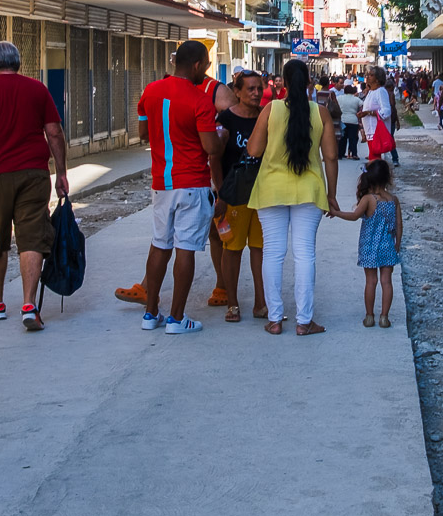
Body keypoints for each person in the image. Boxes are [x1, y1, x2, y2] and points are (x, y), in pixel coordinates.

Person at [0, 41, 69, 332]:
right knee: (32, 236)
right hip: (34, 173)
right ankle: (29, 305)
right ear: (18, 64)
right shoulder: (37, 89)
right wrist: (61, 173)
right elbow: (55, 133)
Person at [134, 41, 224, 335]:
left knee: (160, 244)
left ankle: (151, 314)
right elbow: (211, 147)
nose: (207, 71)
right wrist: (221, 136)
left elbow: (143, 134)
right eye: (207, 65)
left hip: (161, 183)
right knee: (186, 248)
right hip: (192, 184)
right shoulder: (200, 100)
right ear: (197, 64)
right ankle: (176, 318)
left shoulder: (150, 91)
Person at [246, 59, 339, 336]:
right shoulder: (320, 113)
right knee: (304, 255)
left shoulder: (270, 110)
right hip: (308, 191)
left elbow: (253, 150)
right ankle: (303, 321)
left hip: (271, 190)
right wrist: (331, 195)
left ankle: (275, 320)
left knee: (273, 254)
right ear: (309, 82)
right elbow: (331, 157)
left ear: (282, 83)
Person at [214, 70, 266, 323]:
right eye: (250, 89)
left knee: (260, 250)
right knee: (232, 249)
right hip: (234, 196)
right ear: (237, 92)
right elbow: (214, 157)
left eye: (259, 89)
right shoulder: (225, 119)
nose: (256, 93)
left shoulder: (266, 116)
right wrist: (220, 193)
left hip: (263, 195)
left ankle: (261, 302)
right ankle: (232, 303)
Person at [329, 159, 403, 328]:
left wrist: (336, 213)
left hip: (369, 247)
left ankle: (369, 316)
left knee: (371, 281)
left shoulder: (369, 200)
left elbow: (355, 216)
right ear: (387, 178)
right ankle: (384, 317)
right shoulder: (394, 200)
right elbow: (399, 224)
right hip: (388, 247)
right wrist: (397, 243)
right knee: (387, 281)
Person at [361, 67, 394, 163]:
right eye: (367, 75)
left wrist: (369, 113)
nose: (368, 77)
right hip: (370, 130)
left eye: (371, 75)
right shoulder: (371, 92)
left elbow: (386, 111)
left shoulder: (380, 91)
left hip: (376, 130)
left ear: (378, 79)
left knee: (374, 158)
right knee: (373, 156)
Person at [337, 84, 363, 159]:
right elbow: (362, 105)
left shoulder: (339, 98)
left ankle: (340, 154)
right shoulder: (356, 99)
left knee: (342, 138)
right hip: (353, 120)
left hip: (342, 120)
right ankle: (354, 154)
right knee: (353, 138)